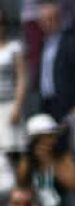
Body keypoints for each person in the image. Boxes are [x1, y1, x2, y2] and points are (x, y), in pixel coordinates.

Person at [16, 113, 75, 206]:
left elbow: (74, 184)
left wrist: (50, 161)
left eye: (53, 136)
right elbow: (21, 183)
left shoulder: (61, 156)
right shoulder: (28, 159)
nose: (53, 140)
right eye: (48, 136)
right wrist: (30, 159)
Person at [32, 0, 75, 122]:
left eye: (49, 19)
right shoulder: (43, 44)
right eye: (42, 20)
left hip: (66, 102)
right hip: (46, 101)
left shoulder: (71, 42)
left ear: (58, 19)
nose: (45, 24)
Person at [0, 9, 28, 156]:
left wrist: (17, 106)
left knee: (12, 152)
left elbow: (22, 78)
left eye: (1, 23)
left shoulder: (14, 47)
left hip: (10, 105)